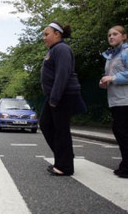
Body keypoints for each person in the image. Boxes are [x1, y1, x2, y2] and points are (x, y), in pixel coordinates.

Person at [40, 21, 82, 176]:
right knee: (46, 124)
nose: (44, 38)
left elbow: (62, 75)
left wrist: (55, 98)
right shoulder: (55, 49)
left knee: (61, 130)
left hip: (62, 95)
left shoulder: (62, 49)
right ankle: (64, 156)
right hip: (55, 95)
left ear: (57, 34)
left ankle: (65, 166)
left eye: (46, 34)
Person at [99, 25, 128, 178]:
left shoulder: (126, 52)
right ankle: (125, 164)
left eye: (115, 34)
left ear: (124, 36)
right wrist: (104, 82)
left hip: (125, 100)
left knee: (121, 131)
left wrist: (113, 78)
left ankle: (126, 166)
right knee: (120, 131)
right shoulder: (111, 57)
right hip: (116, 100)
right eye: (109, 35)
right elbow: (110, 75)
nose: (111, 37)